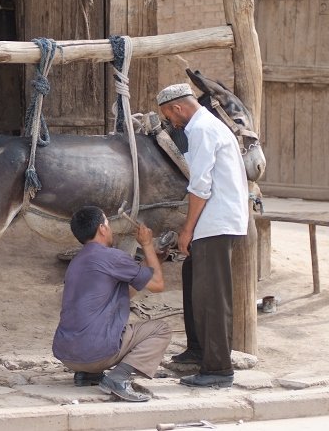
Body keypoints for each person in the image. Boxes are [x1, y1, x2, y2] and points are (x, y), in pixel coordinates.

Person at [156, 83, 249, 388]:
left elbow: (200, 187)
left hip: (215, 223)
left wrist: (187, 230)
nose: (172, 122)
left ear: (177, 108)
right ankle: (198, 350)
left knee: (212, 297)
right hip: (216, 222)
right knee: (193, 281)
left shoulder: (201, 130)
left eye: (169, 116)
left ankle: (218, 369)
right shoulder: (208, 125)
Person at [52, 206, 172, 402]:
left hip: (68, 355)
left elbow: (124, 292)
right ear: (102, 228)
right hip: (96, 353)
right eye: (108, 223)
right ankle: (119, 377)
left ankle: (88, 374)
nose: (111, 229)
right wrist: (148, 245)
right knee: (161, 329)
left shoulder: (77, 261)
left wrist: (155, 260)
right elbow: (158, 285)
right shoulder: (112, 256)